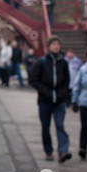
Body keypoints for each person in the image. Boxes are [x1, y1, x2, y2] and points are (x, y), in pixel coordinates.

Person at [29, 35, 72, 163]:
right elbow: (33, 80)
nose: (56, 46)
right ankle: (48, 151)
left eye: (58, 44)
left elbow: (66, 80)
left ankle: (63, 151)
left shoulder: (63, 63)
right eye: (53, 44)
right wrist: (45, 91)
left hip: (59, 100)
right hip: (45, 100)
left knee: (60, 124)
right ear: (49, 46)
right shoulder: (41, 62)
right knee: (45, 126)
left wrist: (63, 93)